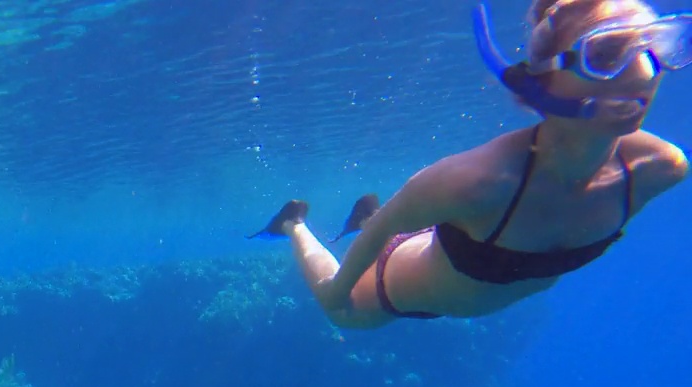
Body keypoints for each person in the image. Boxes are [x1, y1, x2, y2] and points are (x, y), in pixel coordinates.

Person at [253, 0, 689, 329]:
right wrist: (333, 295)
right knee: (345, 318)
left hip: (454, 250)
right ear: (542, 78)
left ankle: (362, 220)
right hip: (401, 283)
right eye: (608, 54)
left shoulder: (659, 169)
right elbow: (392, 222)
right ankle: (294, 223)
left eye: (660, 47)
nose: (647, 72)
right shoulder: (476, 180)